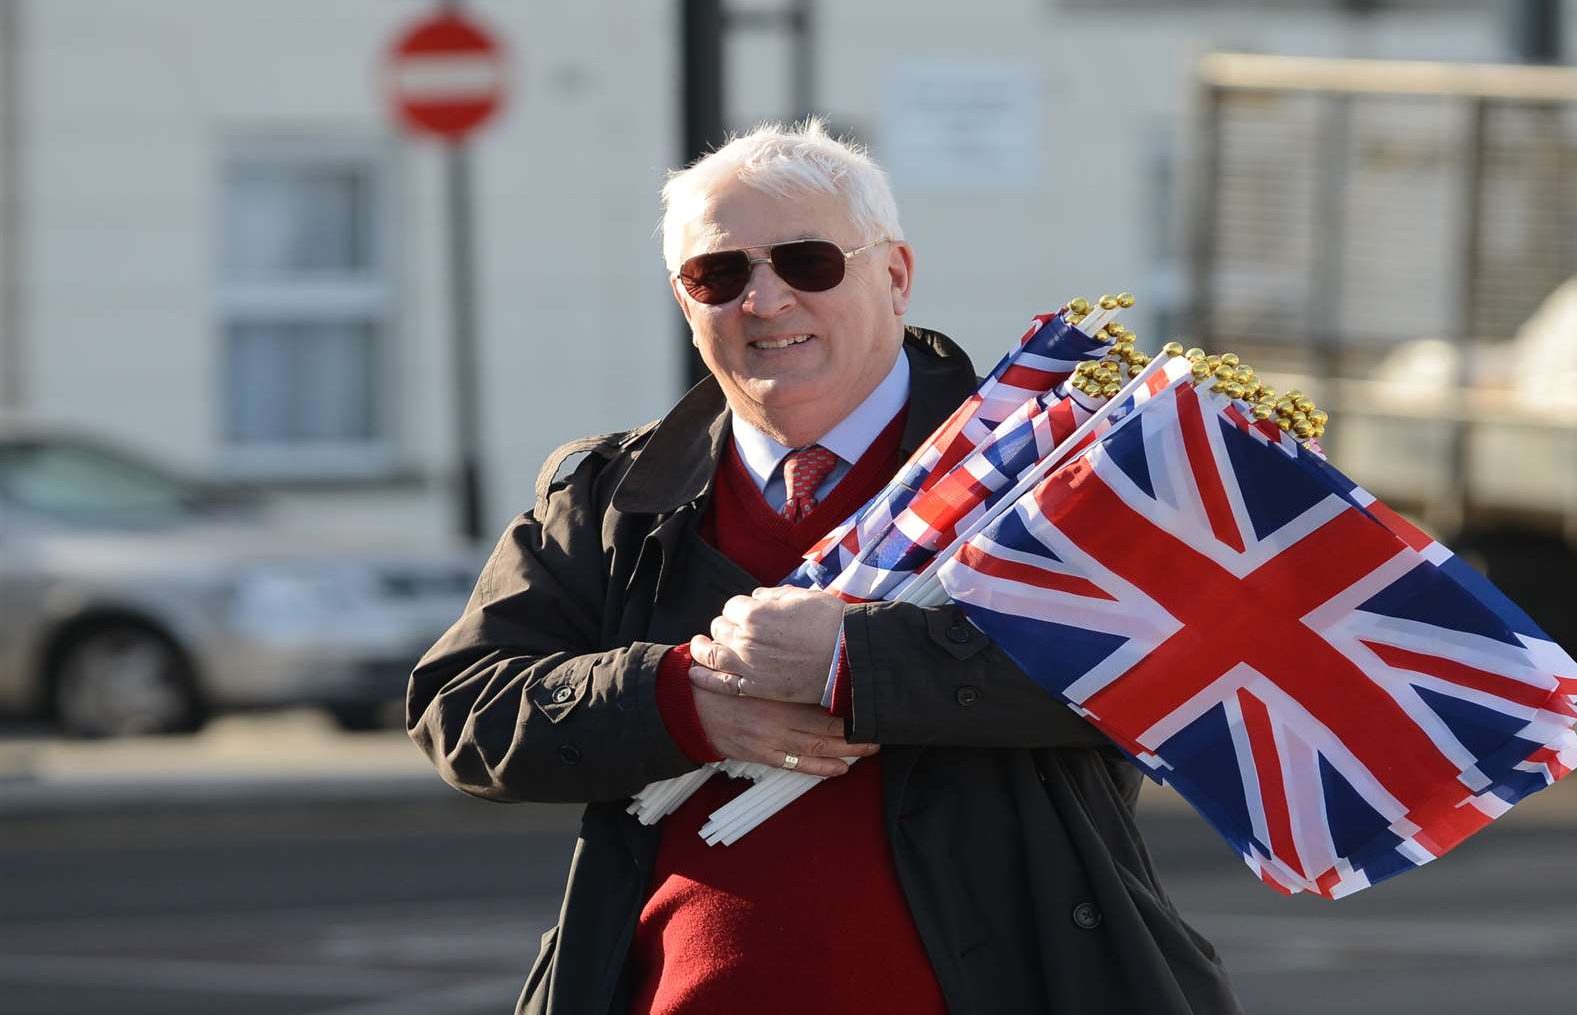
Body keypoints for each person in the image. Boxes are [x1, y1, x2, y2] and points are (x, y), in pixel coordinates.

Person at [406, 119, 1240, 1015]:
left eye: (808, 261)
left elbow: (1173, 670)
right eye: (718, 274)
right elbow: (460, 709)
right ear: (686, 304)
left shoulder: (1053, 471)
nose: (764, 301)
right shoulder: (610, 497)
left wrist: (858, 662)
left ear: (895, 274)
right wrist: (680, 699)